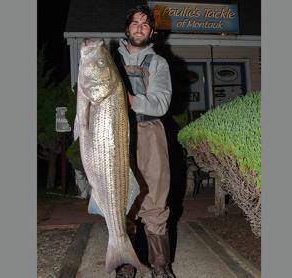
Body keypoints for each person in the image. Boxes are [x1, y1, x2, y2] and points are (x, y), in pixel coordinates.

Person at [114, 4, 175, 278]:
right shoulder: (108, 59)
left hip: (150, 132)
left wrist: (131, 100)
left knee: (155, 199)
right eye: (135, 22)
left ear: (151, 31)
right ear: (127, 28)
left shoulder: (158, 63)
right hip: (115, 134)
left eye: (145, 24)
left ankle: (160, 265)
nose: (139, 27)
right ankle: (125, 265)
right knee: (120, 200)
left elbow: (161, 102)